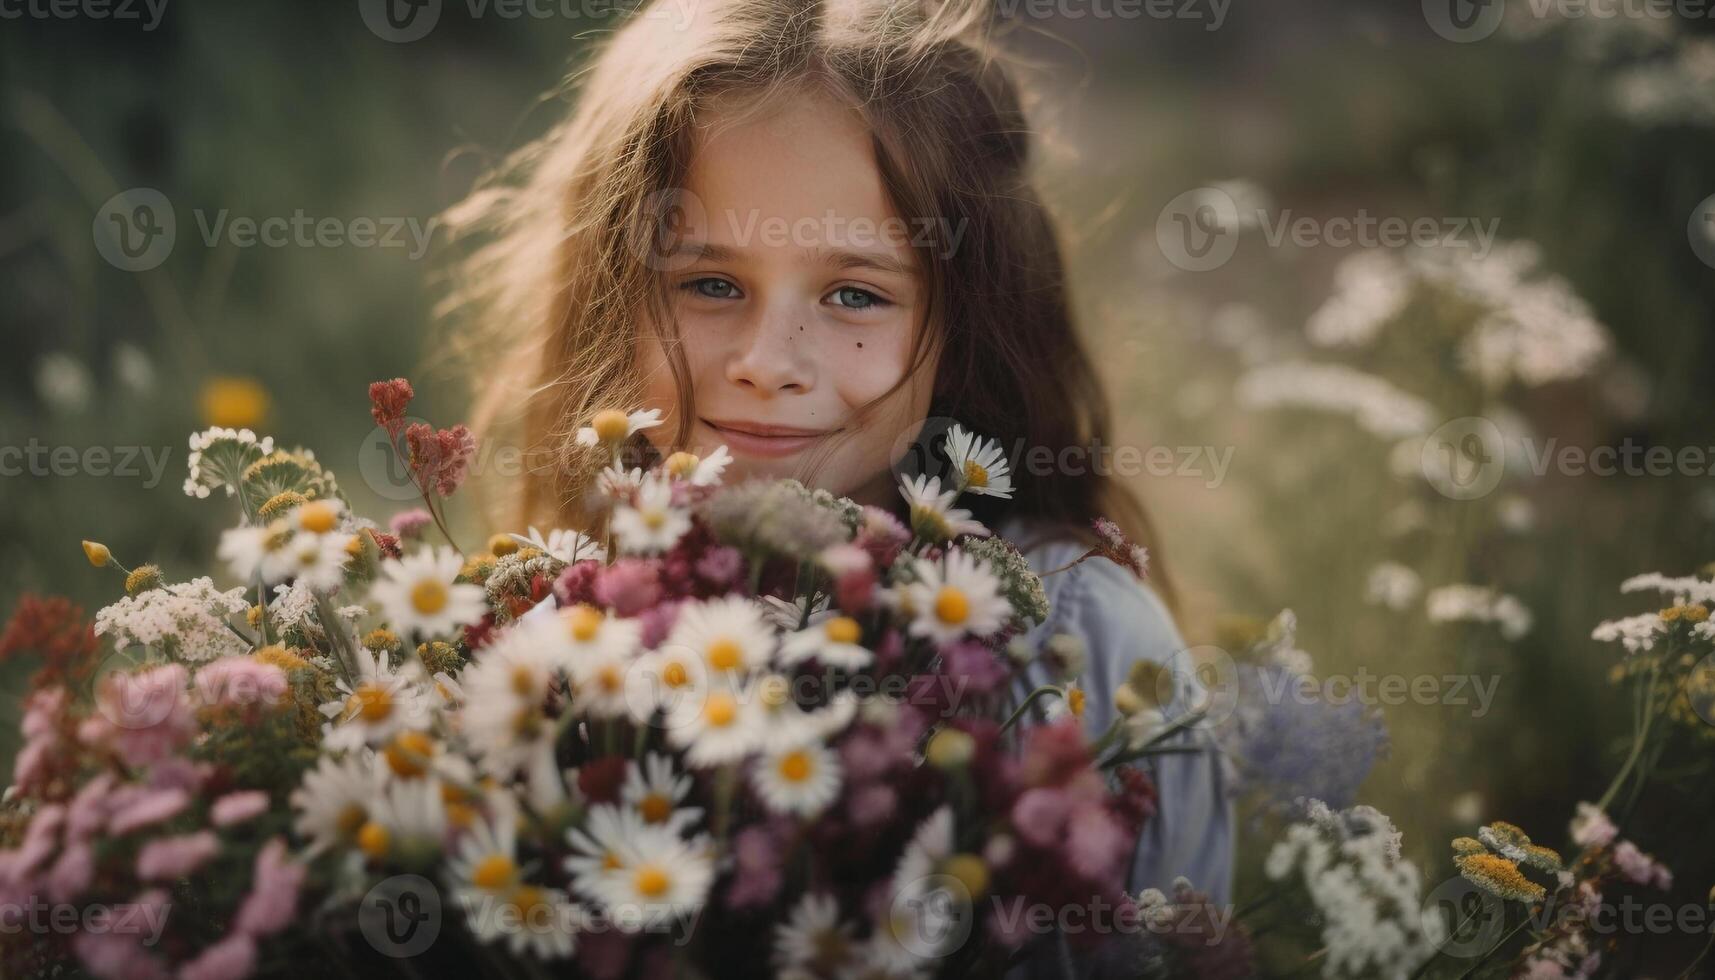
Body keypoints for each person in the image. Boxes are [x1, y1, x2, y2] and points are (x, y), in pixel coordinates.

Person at [441, 0, 1232, 968]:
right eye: (709, 283)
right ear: (612, 298)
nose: (767, 361)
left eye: (853, 294)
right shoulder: (547, 647)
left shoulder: (1075, 650)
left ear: (960, 326)